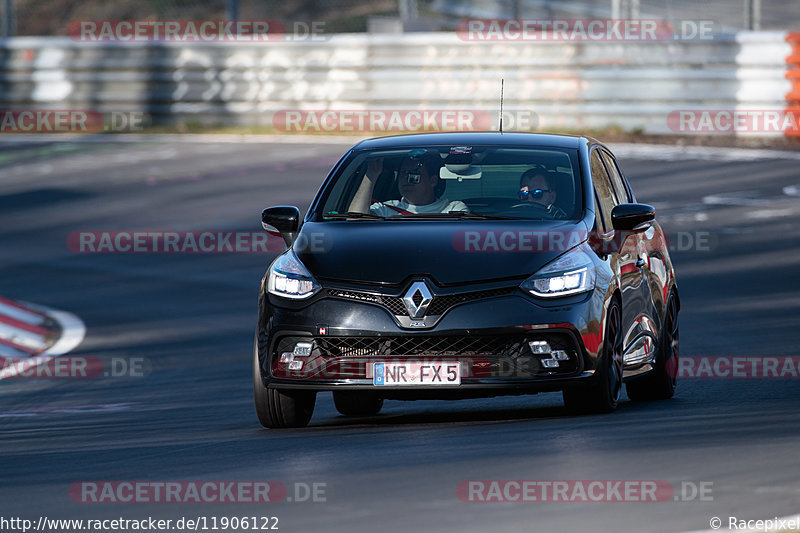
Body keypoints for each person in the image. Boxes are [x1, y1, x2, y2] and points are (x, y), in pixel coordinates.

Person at [348, 153, 468, 216]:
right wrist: (371, 174)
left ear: (433, 181)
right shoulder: (385, 209)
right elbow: (354, 220)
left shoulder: (453, 209)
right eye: (402, 173)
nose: (405, 179)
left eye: (413, 175)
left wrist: (400, 221)